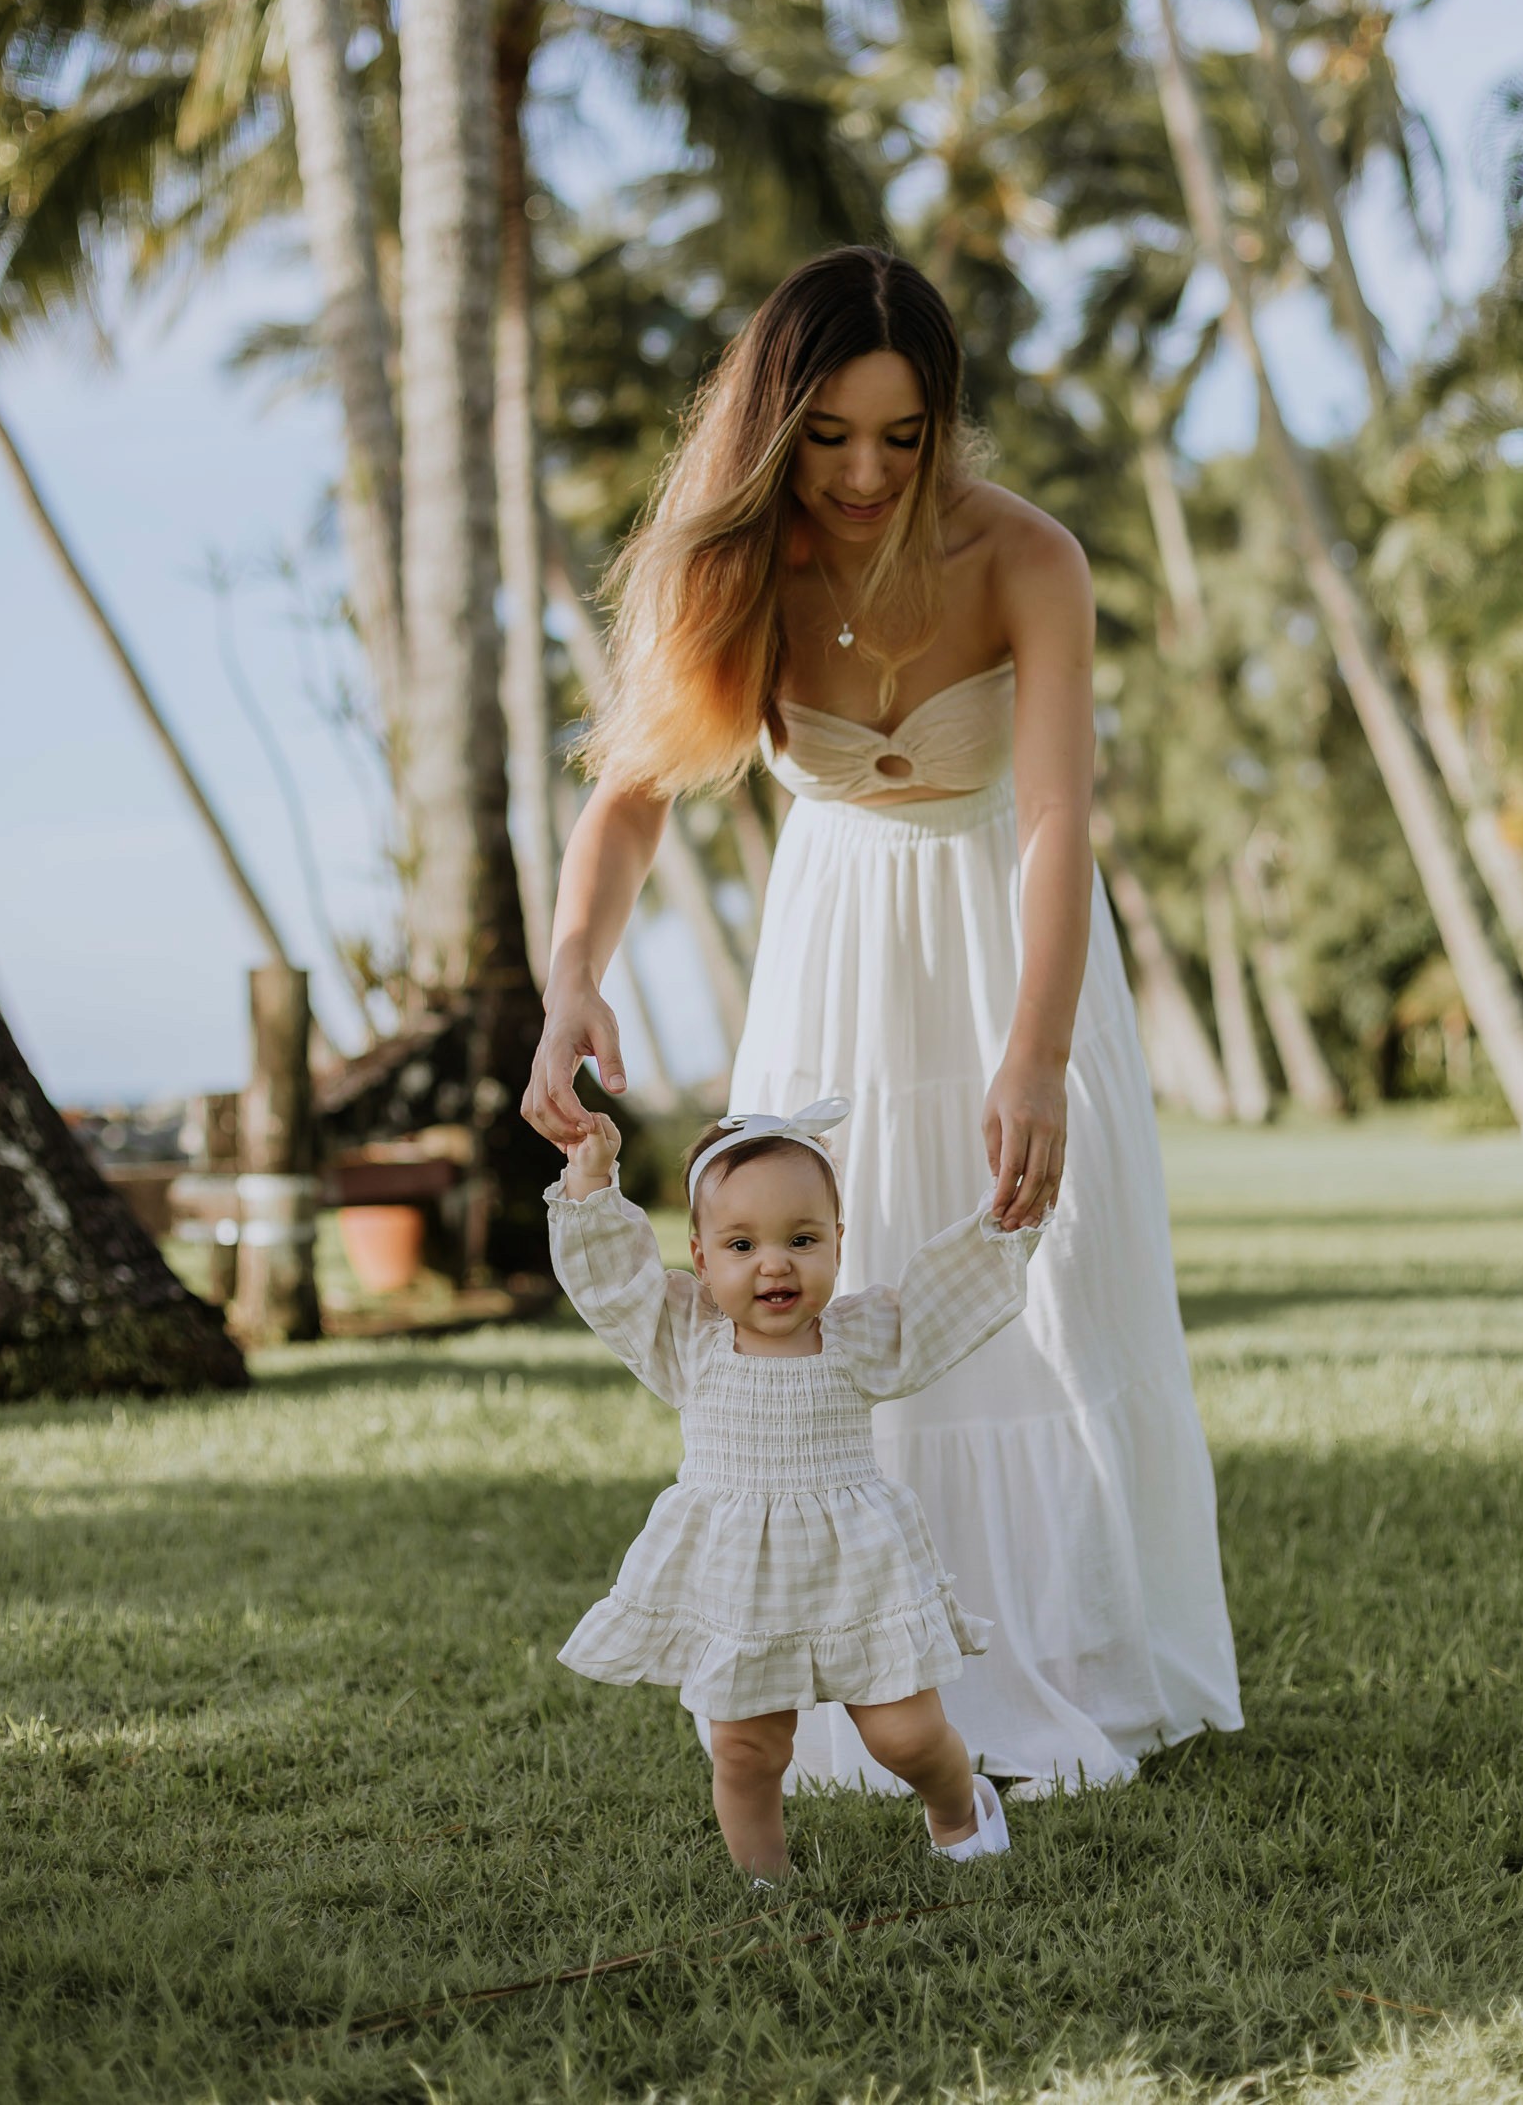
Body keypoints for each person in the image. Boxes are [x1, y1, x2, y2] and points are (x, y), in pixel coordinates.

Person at [524, 245, 1242, 1793]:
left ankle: (1064, 1671)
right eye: (829, 436)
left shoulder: (1027, 559)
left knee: (1033, 1299)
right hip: (834, 944)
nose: (862, 473)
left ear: (944, 426)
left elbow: (1056, 817)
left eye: (899, 437)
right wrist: (573, 971)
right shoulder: (732, 571)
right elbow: (633, 797)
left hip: (1014, 936)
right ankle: (849, 1674)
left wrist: (1034, 1053)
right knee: (824, 1309)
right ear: (776, 432)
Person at [549, 1096, 1040, 1878]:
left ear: (838, 1246)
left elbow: (941, 1308)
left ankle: (958, 1808)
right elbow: (615, 1285)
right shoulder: (688, 1339)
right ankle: (765, 1882)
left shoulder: (857, 1338)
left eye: (802, 1239)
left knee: (904, 1736)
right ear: (703, 1260)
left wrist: (1004, 1227)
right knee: (746, 1747)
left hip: (856, 1571)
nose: (774, 1264)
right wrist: (592, 1181)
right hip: (739, 1578)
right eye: (741, 1244)